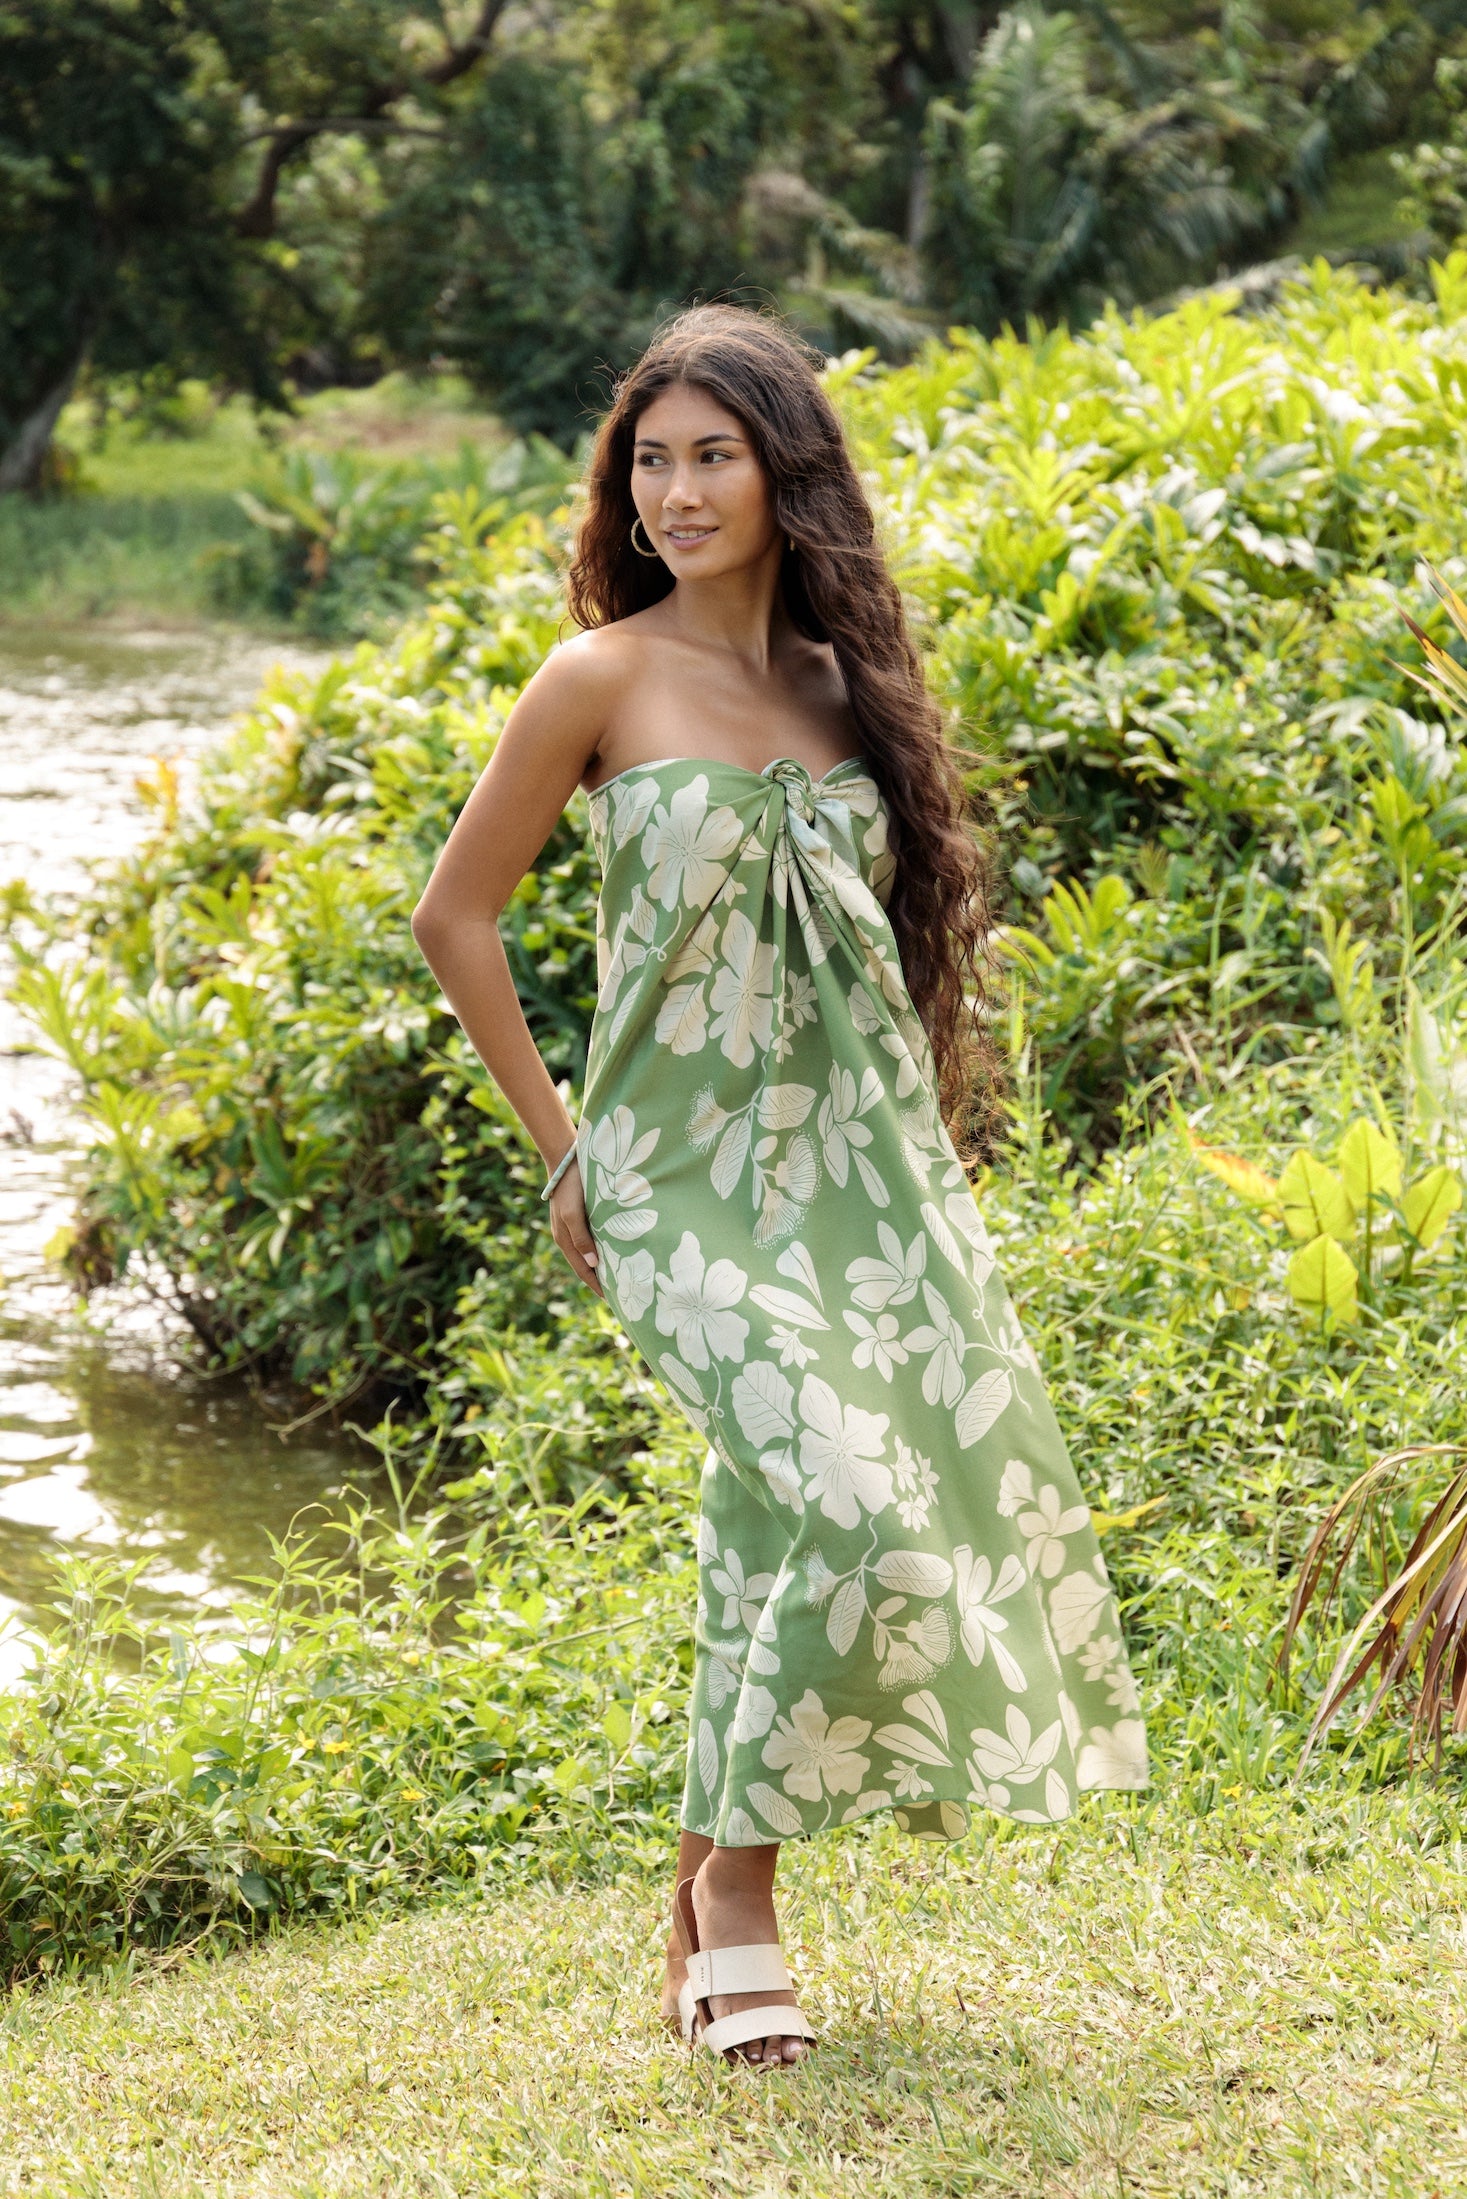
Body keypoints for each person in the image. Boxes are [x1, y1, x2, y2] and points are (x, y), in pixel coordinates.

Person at [410, 303, 1147, 2069]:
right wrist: (566, 1147)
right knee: (846, 1505)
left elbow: (885, 957)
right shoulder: (596, 680)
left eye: (710, 457)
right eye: (648, 463)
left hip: (861, 1182)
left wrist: (926, 1164)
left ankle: (699, 1913)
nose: (672, 493)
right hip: (676, 1182)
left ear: (784, 472)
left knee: (780, 1521)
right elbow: (456, 918)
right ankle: (737, 1898)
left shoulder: (844, 688)